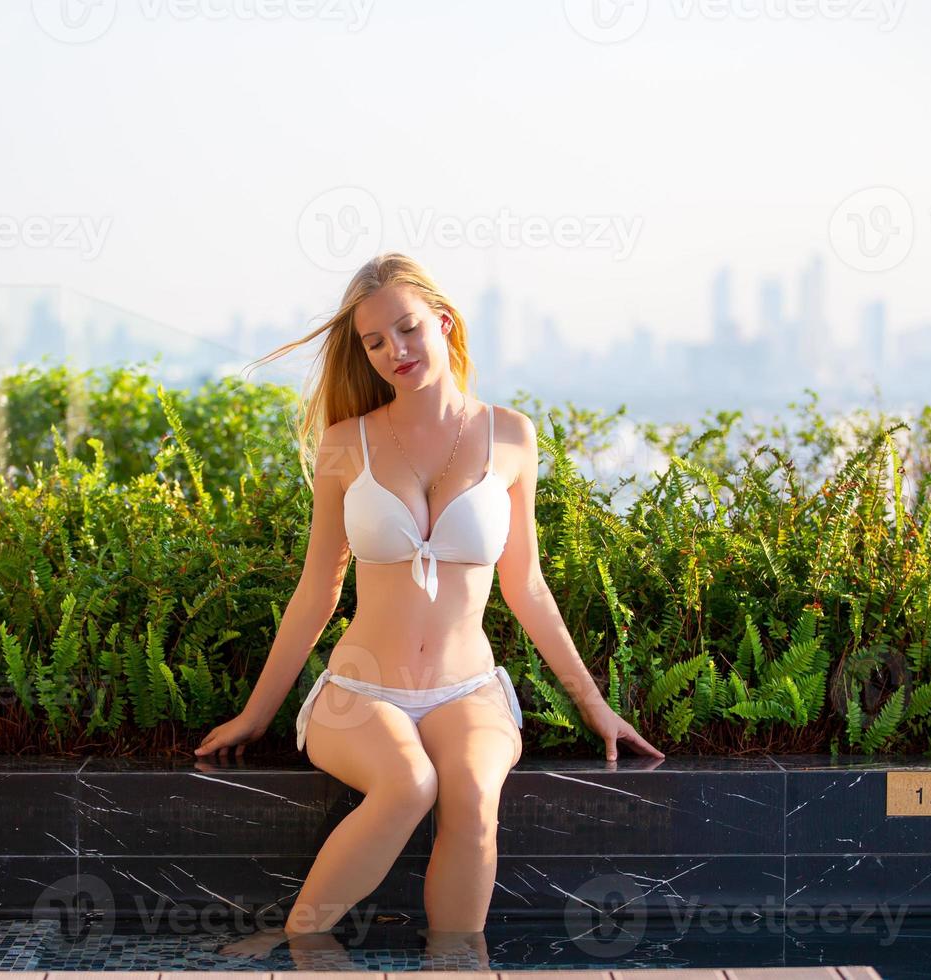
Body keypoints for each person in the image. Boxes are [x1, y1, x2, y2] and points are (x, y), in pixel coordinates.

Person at [194, 252, 663, 955]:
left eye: (407, 330)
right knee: (408, 784)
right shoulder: (343, 444)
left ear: (443, 322)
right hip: (358, 693)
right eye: (375, 342)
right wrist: (256, 716)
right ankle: (299, 948)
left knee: (473, 797)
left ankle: (456, 965)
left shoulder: (510, 436)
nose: (394, 352)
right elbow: (318, 586)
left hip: (467, 691)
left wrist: (596, 707)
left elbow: (526, 584)